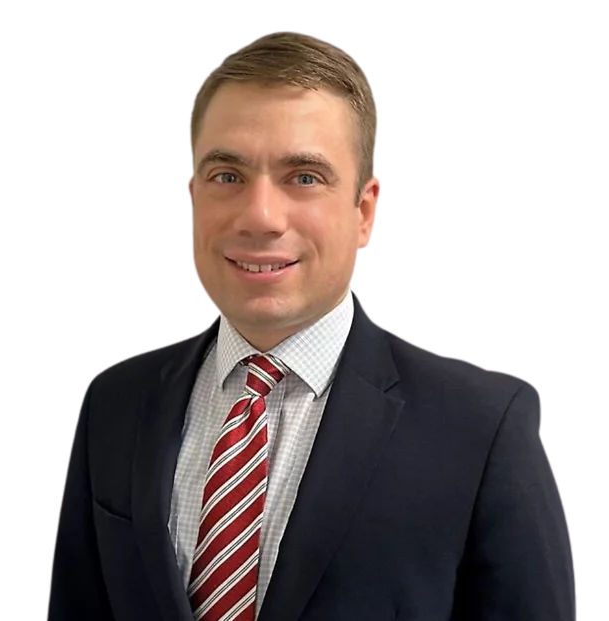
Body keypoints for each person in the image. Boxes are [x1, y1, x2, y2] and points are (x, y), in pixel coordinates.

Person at [47, 30, 577, 621]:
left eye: (304, 177)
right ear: (193, 194)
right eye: (228, 175)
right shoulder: (117, 403)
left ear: (364, 211)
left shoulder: (481, 426)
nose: (261, 216)